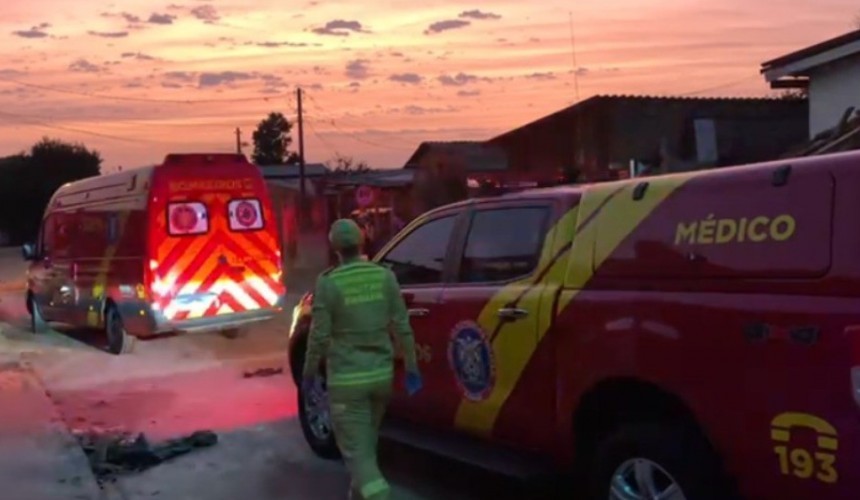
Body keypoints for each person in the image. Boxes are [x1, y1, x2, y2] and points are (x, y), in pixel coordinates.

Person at [302, 218, 423, 500]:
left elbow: (318, 337)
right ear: (362, 242)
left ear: (335, 248)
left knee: (361, 462)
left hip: (347, 385)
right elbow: (402, 326)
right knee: (365, 452)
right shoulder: (384, 276)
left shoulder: (328, 283)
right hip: (381, 380)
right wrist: (412, 367)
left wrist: (309, 374)